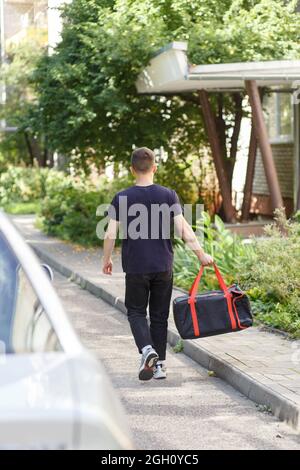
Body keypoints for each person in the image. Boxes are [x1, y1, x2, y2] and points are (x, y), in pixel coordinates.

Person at [102, 147, 213, 381]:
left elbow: (110, 234)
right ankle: (159, 366)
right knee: (160, 316)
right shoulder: (168, 195)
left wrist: (107, 259)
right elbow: (184, 230)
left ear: (132, 170)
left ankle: (147, 350)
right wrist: (201, 255)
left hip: (136, 267)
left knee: (136, 312)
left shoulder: (121, 198)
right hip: (163, 266)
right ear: (155, 168)